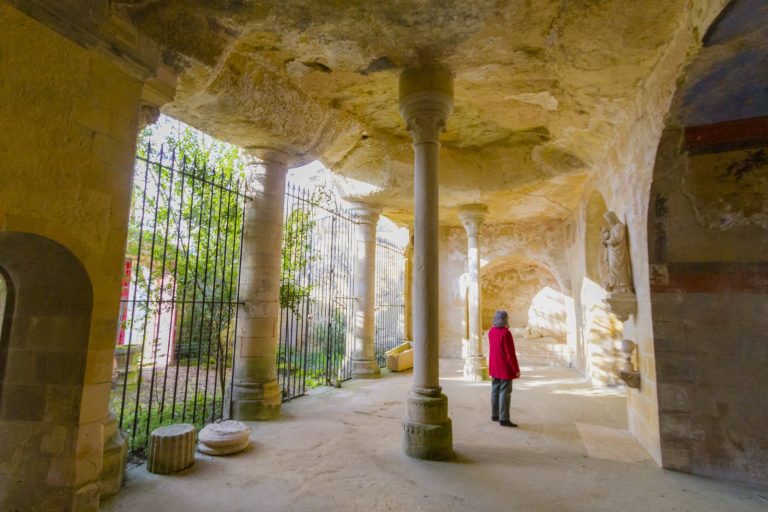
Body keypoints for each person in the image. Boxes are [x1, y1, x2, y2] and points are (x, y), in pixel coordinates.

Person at [488, 310, 521, 427]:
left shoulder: (491, 331)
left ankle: (495, 415)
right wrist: (516, 369)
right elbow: (510, 354)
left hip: (494, 366)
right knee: (505, 393)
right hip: (505, 368)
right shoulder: (506, 333)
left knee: (495, 390)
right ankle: (504, 418)